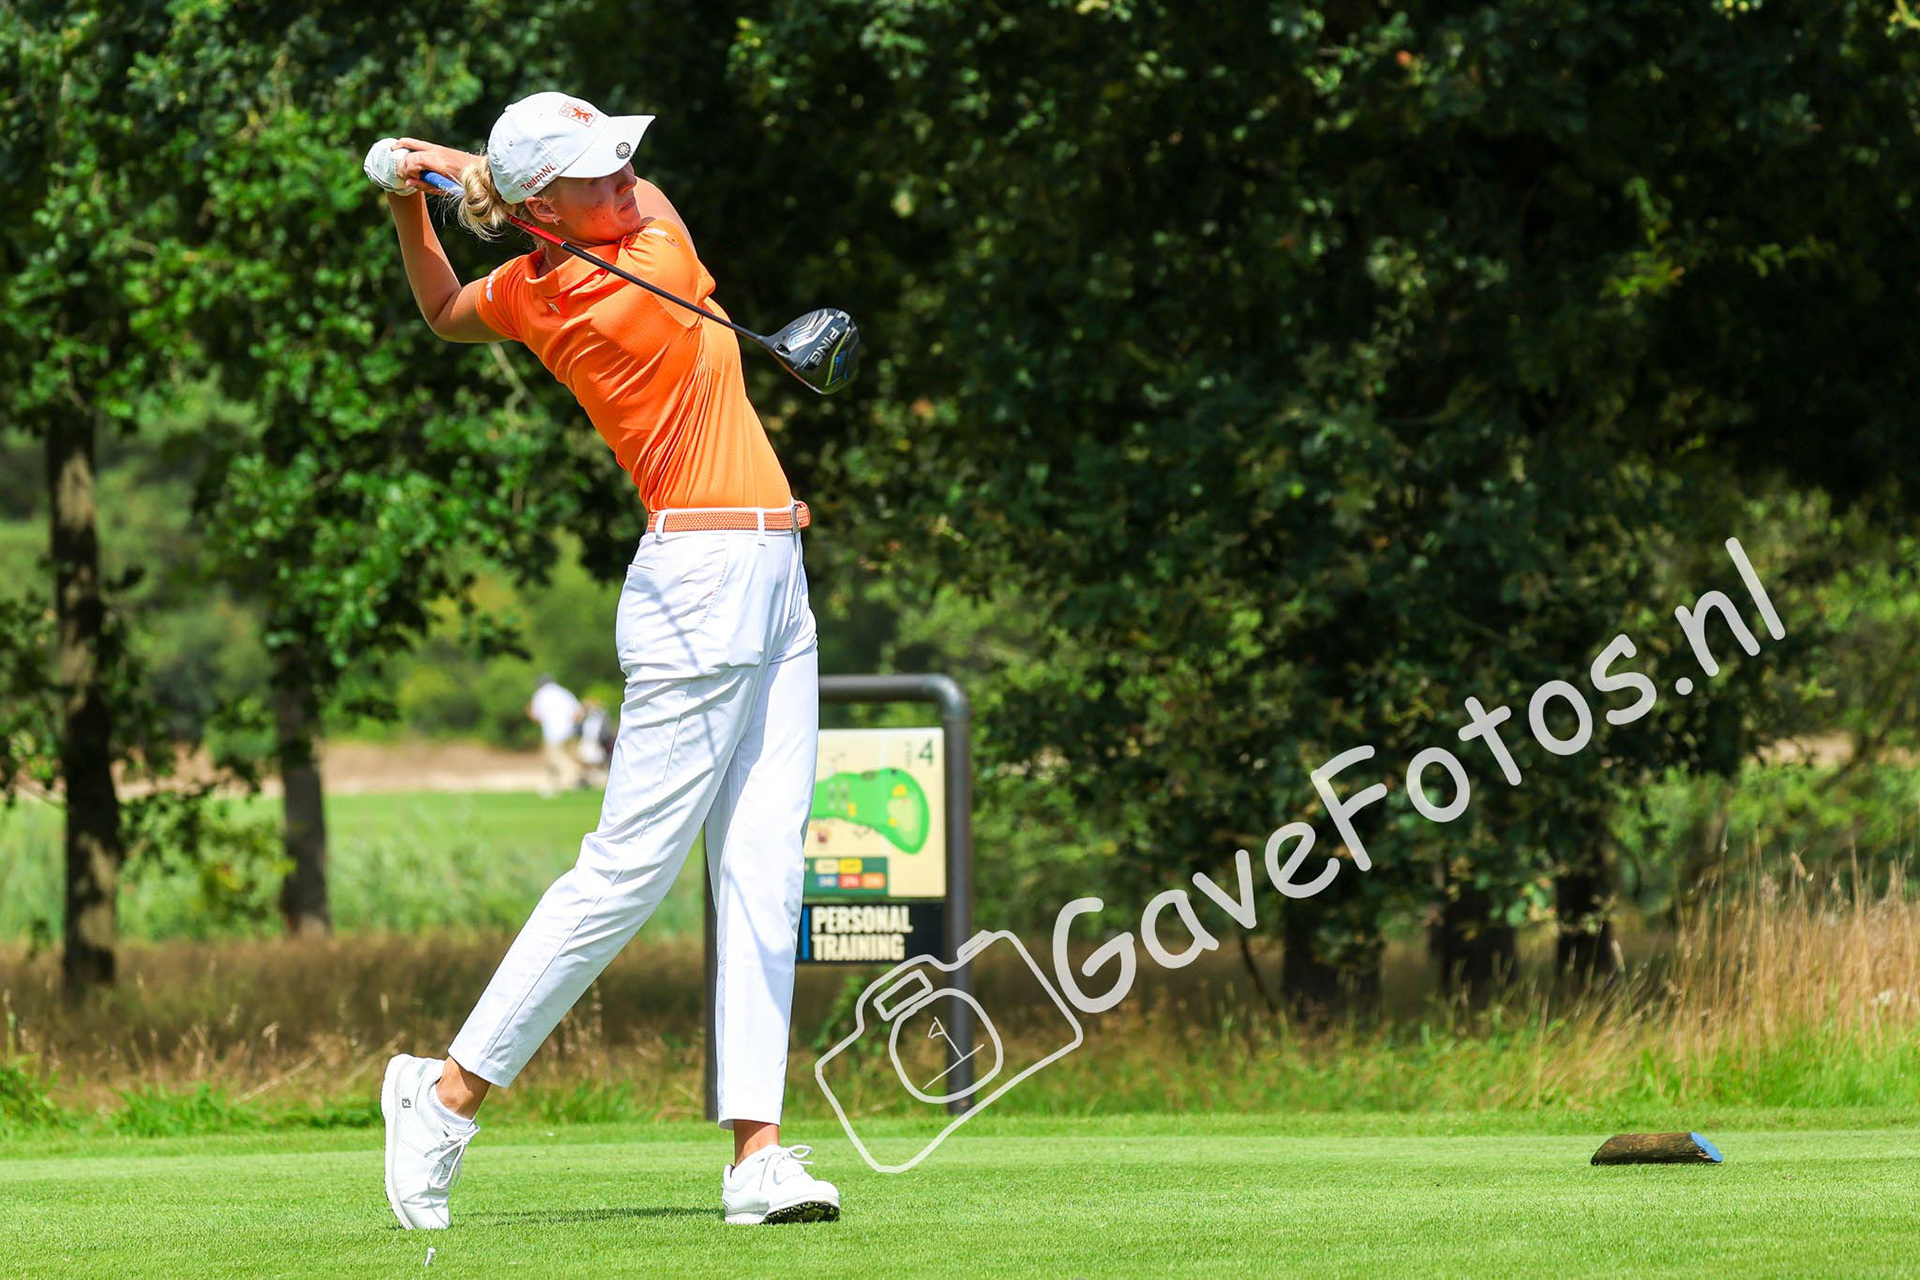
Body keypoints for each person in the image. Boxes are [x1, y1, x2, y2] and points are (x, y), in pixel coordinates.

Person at [367, 92, 834, 1229]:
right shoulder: (641, 260)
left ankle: (757, 1157)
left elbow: (442, 311)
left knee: (765, 872)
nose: (626, 173)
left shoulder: (536, 285)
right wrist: (452, 171)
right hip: (704, 590)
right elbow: (572, 216)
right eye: (596, 169)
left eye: (622, 155)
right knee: (625, 874)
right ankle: (443, 1094)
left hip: (768, 574)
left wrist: (410, 208)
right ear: (546, 209)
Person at [526, 674, 584, 796]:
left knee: (555, 758)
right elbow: (578, 712)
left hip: (553, 732)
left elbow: (536, 715)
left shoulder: (541, 694)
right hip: (569, 730)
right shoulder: (564, 692)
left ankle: (576, 776)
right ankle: (551, 787)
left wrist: (529, 712)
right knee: (551, 761)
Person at [576, 697, 612, 788]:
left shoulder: (598, 717)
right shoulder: (588, 718)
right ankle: (585, 780)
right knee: (586, 762)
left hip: (595, 743)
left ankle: (604, 779)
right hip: (588, 741)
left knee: (597, 762)